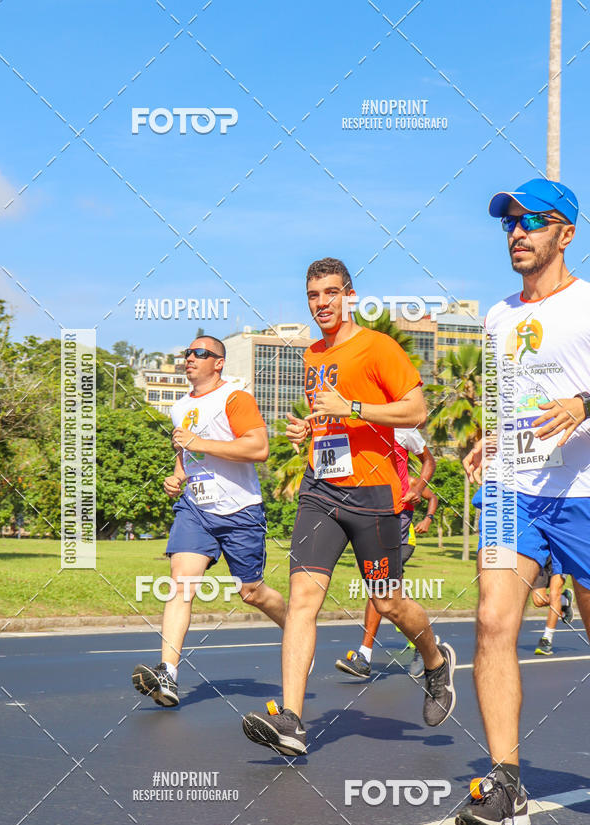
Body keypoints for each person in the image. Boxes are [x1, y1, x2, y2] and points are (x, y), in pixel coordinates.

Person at [242, 257, 456, 755]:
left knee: (387, 603)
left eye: (331, 293)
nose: (322, 304)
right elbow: (327, 421)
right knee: (302, 600)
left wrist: (353, 408)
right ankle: (292, 720)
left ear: (350, 295)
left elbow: (417, 409)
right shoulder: (313, 354)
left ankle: (434, 659)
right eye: (314, 296)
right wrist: (307, 432)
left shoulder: (378, 347)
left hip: (375, 496)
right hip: (322, 490)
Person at [456, 179, 590, 825]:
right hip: (514, 491)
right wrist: (491, 437)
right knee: (492, 621)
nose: (517, 231)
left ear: (566, 233)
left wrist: (583, 406)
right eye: (507, 221)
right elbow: (506, 393)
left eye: (533, 220)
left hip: (584, 495)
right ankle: (505, 781)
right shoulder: (498, 315)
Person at [132, 336, 287, 707]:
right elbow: (188, 456)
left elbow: (258, 448)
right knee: (180, 585)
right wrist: (177, 477)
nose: (190, 358)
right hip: (195, 509)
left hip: (240, 511)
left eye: (200, 353)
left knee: (252, 592)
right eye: (187, 352)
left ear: (218, 363)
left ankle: (297, 628)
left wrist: (199, 442)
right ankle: (167, 675)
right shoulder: (180, 406)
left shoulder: (235, 398)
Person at [334, 429, 439, 679]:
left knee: (379, 586)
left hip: (404, 536)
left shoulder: (409, 470)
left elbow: (432, 495)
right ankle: (424, 643)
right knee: (393, 595)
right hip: (377, 522)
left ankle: (365, 655)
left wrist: (428, 518)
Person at [530, 557, 573, 656]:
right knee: (538, 600)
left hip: (559, 552)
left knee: (555, 594)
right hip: (542, 554)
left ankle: (547, 639)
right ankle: (564, 600)